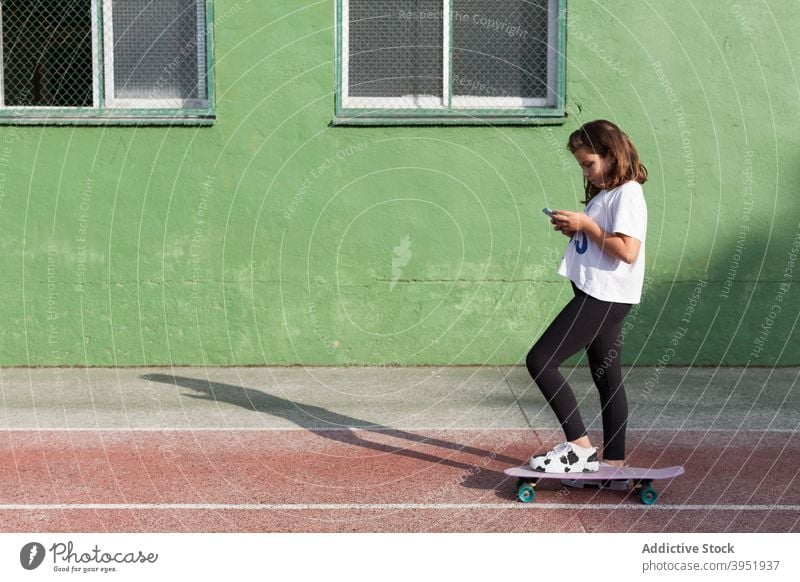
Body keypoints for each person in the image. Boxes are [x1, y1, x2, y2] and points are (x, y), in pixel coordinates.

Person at [526, 119, 648, 473]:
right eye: (582, 165)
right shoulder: (607, 195)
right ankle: (613, 464)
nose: (587, 172)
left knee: (540, 361)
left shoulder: (628, 193)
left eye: (589, 163)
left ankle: (579, 447)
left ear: (610, 155)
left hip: (605, 295)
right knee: (606, 376)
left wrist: (588, 226)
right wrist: (575, 228)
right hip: (598, 292)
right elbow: (598, 242)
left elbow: (627, 250)